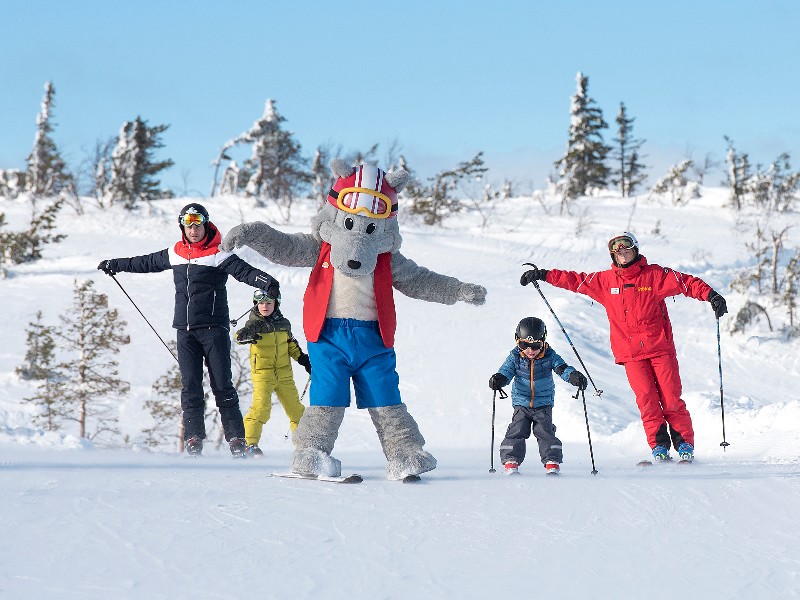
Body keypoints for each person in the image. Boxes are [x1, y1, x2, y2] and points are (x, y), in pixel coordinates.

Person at [520, 231, 728, 463]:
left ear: (635, 249)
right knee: (647, 400)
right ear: (613, 255)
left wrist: (712, 295)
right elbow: (574, 280)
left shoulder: (655, 275)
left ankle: (684, 444)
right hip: (630, 354)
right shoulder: (605, 282)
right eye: (617, 250)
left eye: (626, 248)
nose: (622, 252)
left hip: (660, 348)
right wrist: (543, 274)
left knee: (671, 399)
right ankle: (659, 446)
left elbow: (686, 283)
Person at [97, 203, 279, 458]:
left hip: (214, 329)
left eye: (198, 224)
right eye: (189, 224)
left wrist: (267, 282)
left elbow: (244, 272)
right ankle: (194, 439)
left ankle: (237, 440)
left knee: (222, 385)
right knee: (190, 386)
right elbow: (146, 262)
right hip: (185, 331)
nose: (194, 229)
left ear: (206, 224)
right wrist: (115, 264)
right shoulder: (176, 253)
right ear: (183, 226)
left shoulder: (219, 253)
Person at [489, 316, 588, 476]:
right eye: (524, 345)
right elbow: (505, 371)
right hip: (521, 402)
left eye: (535, 345)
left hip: (543, 403)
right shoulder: (515, 357)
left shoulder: (550, 356)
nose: (530, 350)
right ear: (517, 341)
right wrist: (499, 379)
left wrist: (574, 377)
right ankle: (510, 460)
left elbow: (562, 368)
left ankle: (552, 460)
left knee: (545, 431)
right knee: (517, 429)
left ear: (543, 341)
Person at [235, 288, 311, 457]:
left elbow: (291, 345)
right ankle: (249, 444)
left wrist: (304, 360)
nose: (264, 306)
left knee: (296, 411)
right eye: (261, 303)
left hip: (284, 374)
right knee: (261, 409)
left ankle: (304, 447)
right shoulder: (254, 324)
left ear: (276, 304)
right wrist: (244, 336)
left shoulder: (284, 324)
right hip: (263, 374)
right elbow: (240, 336)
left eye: (269, 303)